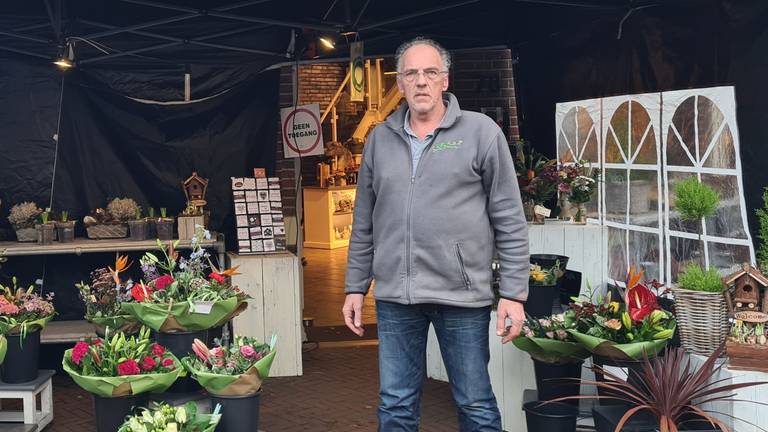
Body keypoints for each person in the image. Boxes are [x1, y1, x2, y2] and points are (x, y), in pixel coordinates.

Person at [342, 37, 529, 432]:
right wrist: (355, 286)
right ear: (401, 83)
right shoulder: (379, 139)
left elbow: (509, 217)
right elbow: (364, 222)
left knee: (475, 403)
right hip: (396, 297)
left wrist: (513, 293)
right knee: (395, 405)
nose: (421, 81)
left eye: (430, 72)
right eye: (411, 73)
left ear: (445, 80)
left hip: (461, 296)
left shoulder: (481, 133)